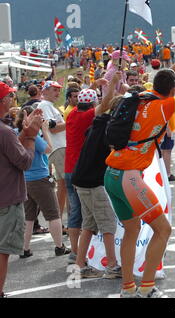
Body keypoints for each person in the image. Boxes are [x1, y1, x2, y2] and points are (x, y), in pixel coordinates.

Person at [104, 32, 175, 298]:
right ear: (172, 90)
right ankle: (146, 288)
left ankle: (128, 288)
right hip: (130, 178)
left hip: (111, 174)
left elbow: (167, 77)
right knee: (164, 230)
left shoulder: (140, 97)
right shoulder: (164, 106)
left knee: (131, 231)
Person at [68, 74, 120, 278]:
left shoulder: (75, 115)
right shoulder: (97, 121)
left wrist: (98, 86)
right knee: (107, 223)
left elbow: (97, 103)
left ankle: (80, 265)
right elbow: (104, 104)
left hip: (79, 176)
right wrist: (113, 83)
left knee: (88, 224)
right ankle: (112, 266)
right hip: (92, 180)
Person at [0, 82, 44, 298]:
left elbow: (10, 152)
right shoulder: (4, 132)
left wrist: (24, 134)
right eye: (9, 97)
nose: (12, 101)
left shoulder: (6, 133)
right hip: (7, 200)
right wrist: (32, 135)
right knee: (3, 251)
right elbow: (24, 161)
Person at [16, 107, 71, 259]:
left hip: (24, 179)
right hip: (39, 178)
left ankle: (25, 249)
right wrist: (45, 130)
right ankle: (60, 246)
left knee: (29, 216)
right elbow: (48, 149)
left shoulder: (16, 133)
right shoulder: (34, 136)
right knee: (53, 214)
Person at [36, 81, 68, 232]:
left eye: (58, 90)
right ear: (45, 91)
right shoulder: (45, 105)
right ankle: (59, 222)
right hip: (58, 148)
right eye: (55, 90)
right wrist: (72, 123)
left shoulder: (48, 105)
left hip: (58, 147)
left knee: (64, 186)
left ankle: (59, 221)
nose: (57, 93)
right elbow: (52, 128)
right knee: (65, 186)